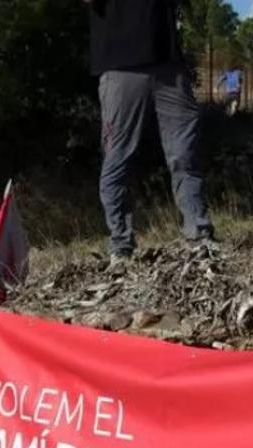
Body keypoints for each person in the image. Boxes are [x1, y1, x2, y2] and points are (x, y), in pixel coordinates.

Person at [85, 0, 216, 264]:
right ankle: (120, 246)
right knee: (117, 158)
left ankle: (199, 237)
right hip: (120, 64)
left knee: (184, 154)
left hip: (168, 63)